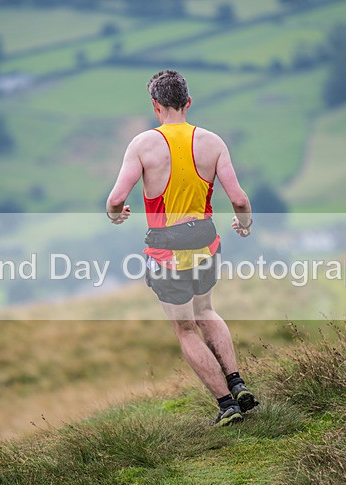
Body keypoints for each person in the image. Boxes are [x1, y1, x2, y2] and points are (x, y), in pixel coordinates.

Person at [105, 69, 259, 427]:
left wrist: (116, 215)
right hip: (205, 241)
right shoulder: (212, 142)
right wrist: (244, 224)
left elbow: (115, 199)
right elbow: (239, 199)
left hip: (166, 249)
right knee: (207, 312)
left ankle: (227, 405)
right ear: (188, 102)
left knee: (187, 328)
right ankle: (237, 383)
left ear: (155, 106)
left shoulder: (142, 145)